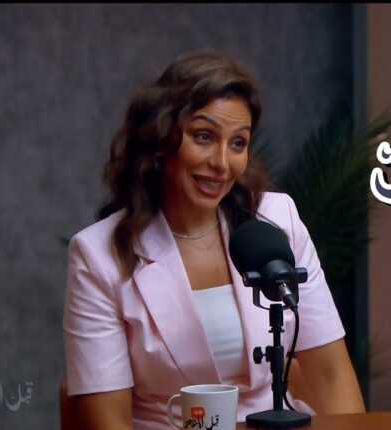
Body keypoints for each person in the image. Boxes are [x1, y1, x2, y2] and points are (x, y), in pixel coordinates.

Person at [62, 51, 365, 430]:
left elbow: (331, 375)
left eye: (238, 143)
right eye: (204, 137)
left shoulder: (278, 220)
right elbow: (108, 420)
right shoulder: (98, 254)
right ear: (161, 137)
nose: (222, 163)